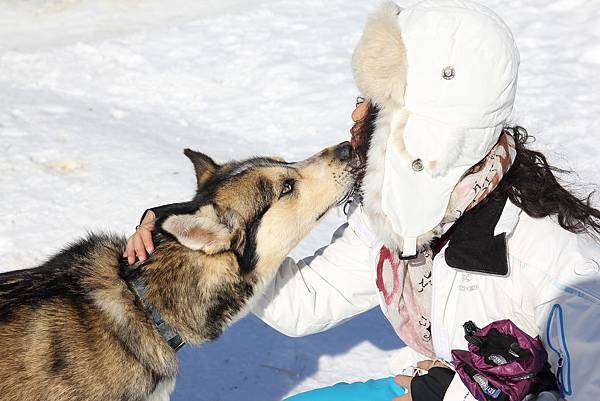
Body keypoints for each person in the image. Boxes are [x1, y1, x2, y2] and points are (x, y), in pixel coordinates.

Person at [124, 1, 600, 400]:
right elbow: (304, 302)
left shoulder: (563, 273)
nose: (356, 113)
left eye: (376, 102)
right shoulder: (403, 214)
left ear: (425, 129)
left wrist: (453, 393)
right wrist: (206, 235)